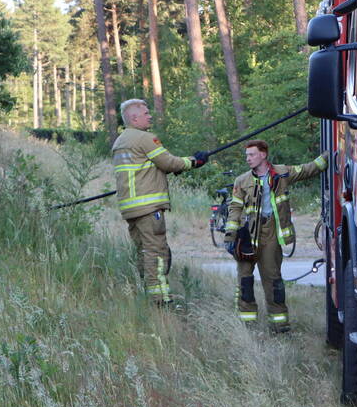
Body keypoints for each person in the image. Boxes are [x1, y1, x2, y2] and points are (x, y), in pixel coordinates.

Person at [112, 98, 208, 305]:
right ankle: (159, 299)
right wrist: (194, 162)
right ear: (134, 117)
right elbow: (169, 162)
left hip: (130, 208)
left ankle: (144, 291)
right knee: (156, 251)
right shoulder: (144, 138)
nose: (150, 116)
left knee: (142, 251)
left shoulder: (120, 142)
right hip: (149, 207)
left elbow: (146, 168)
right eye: (146, 113)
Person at [224, 139, 327, 332]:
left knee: (273, 280)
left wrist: (331, 154)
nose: (248, 159)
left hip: (270, 233)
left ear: (263, 155)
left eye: (252, 154)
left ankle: (280, 326)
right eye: (246, 155)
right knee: (245, 280)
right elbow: (235, 207)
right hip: (248, 235)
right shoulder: (242, 181)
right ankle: (248, 326)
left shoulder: (281, 173)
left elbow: (308, 169)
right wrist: (231, 236)